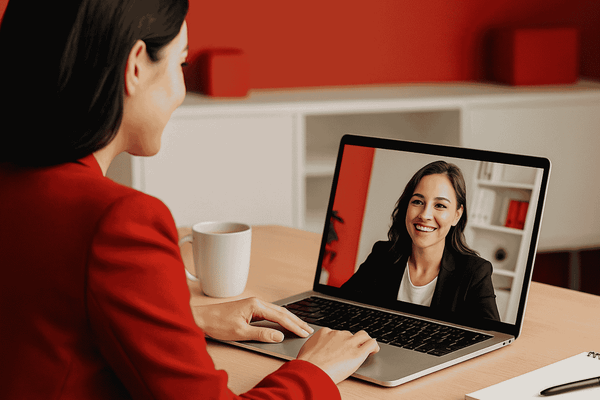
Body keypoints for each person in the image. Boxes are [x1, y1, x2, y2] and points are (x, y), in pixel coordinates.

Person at [0, 1, 379, 399]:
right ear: (135, 67)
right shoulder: (115, 221)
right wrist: (314, 370)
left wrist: (186, 320)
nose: (180, 91)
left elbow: (47, 322)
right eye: (180, 64)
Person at [341, 161, 500, 321]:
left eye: (440, 205)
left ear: (457, 215)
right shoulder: (382, 254)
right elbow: (341, 305)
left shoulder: (474, 272)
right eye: (418, 202)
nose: (425, 215)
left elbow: (492, 336)